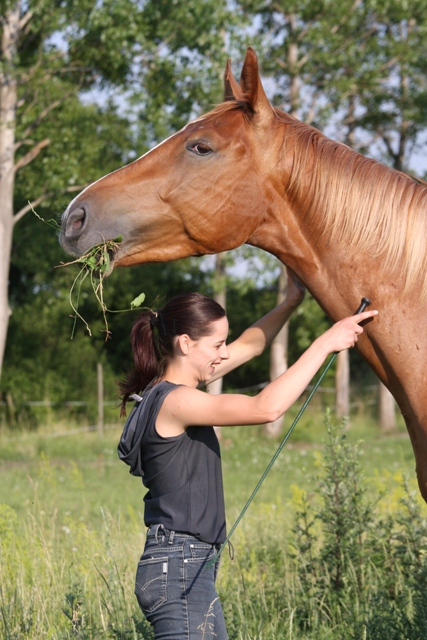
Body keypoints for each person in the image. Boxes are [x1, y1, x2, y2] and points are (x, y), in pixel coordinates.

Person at [117, 270, 378, 640]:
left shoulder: (163, 388)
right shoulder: (178, 401)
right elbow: (264, 408)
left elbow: (252, 345)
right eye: (217, 345)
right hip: (179, 567)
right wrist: (325, 343)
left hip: (182, 564)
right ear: (186, 344)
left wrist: (291, 300)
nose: (224, 353)